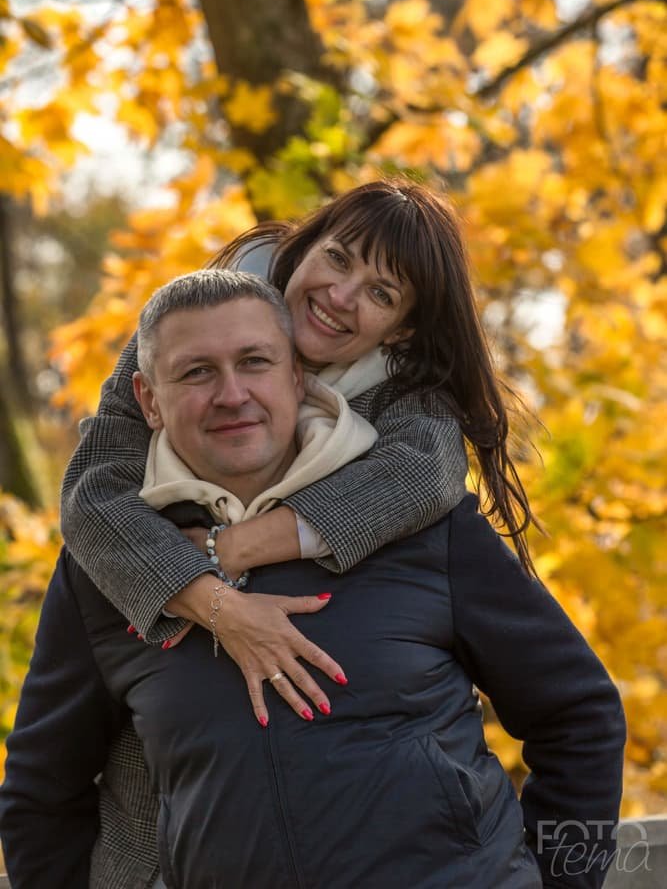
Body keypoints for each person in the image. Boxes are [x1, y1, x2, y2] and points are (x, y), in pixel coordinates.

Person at [0, 271, 626, 889]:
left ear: (297, 376)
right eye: (197, 372)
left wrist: (566, 882)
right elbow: (40, 794)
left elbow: (579, 713)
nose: (232, 394)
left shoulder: (423, 526)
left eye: (255, 362)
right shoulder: (109, 567)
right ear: (148, 401)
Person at [59, 179, 536, 725]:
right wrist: (219, 605)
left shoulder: (406, 402)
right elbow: (92, 494)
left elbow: (425, 474)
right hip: (171, 758)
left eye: (381, 294)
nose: (340, 296)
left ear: (402, 330)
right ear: (304, 247)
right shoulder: (191, 328)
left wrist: (229, 548)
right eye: (337, 258)